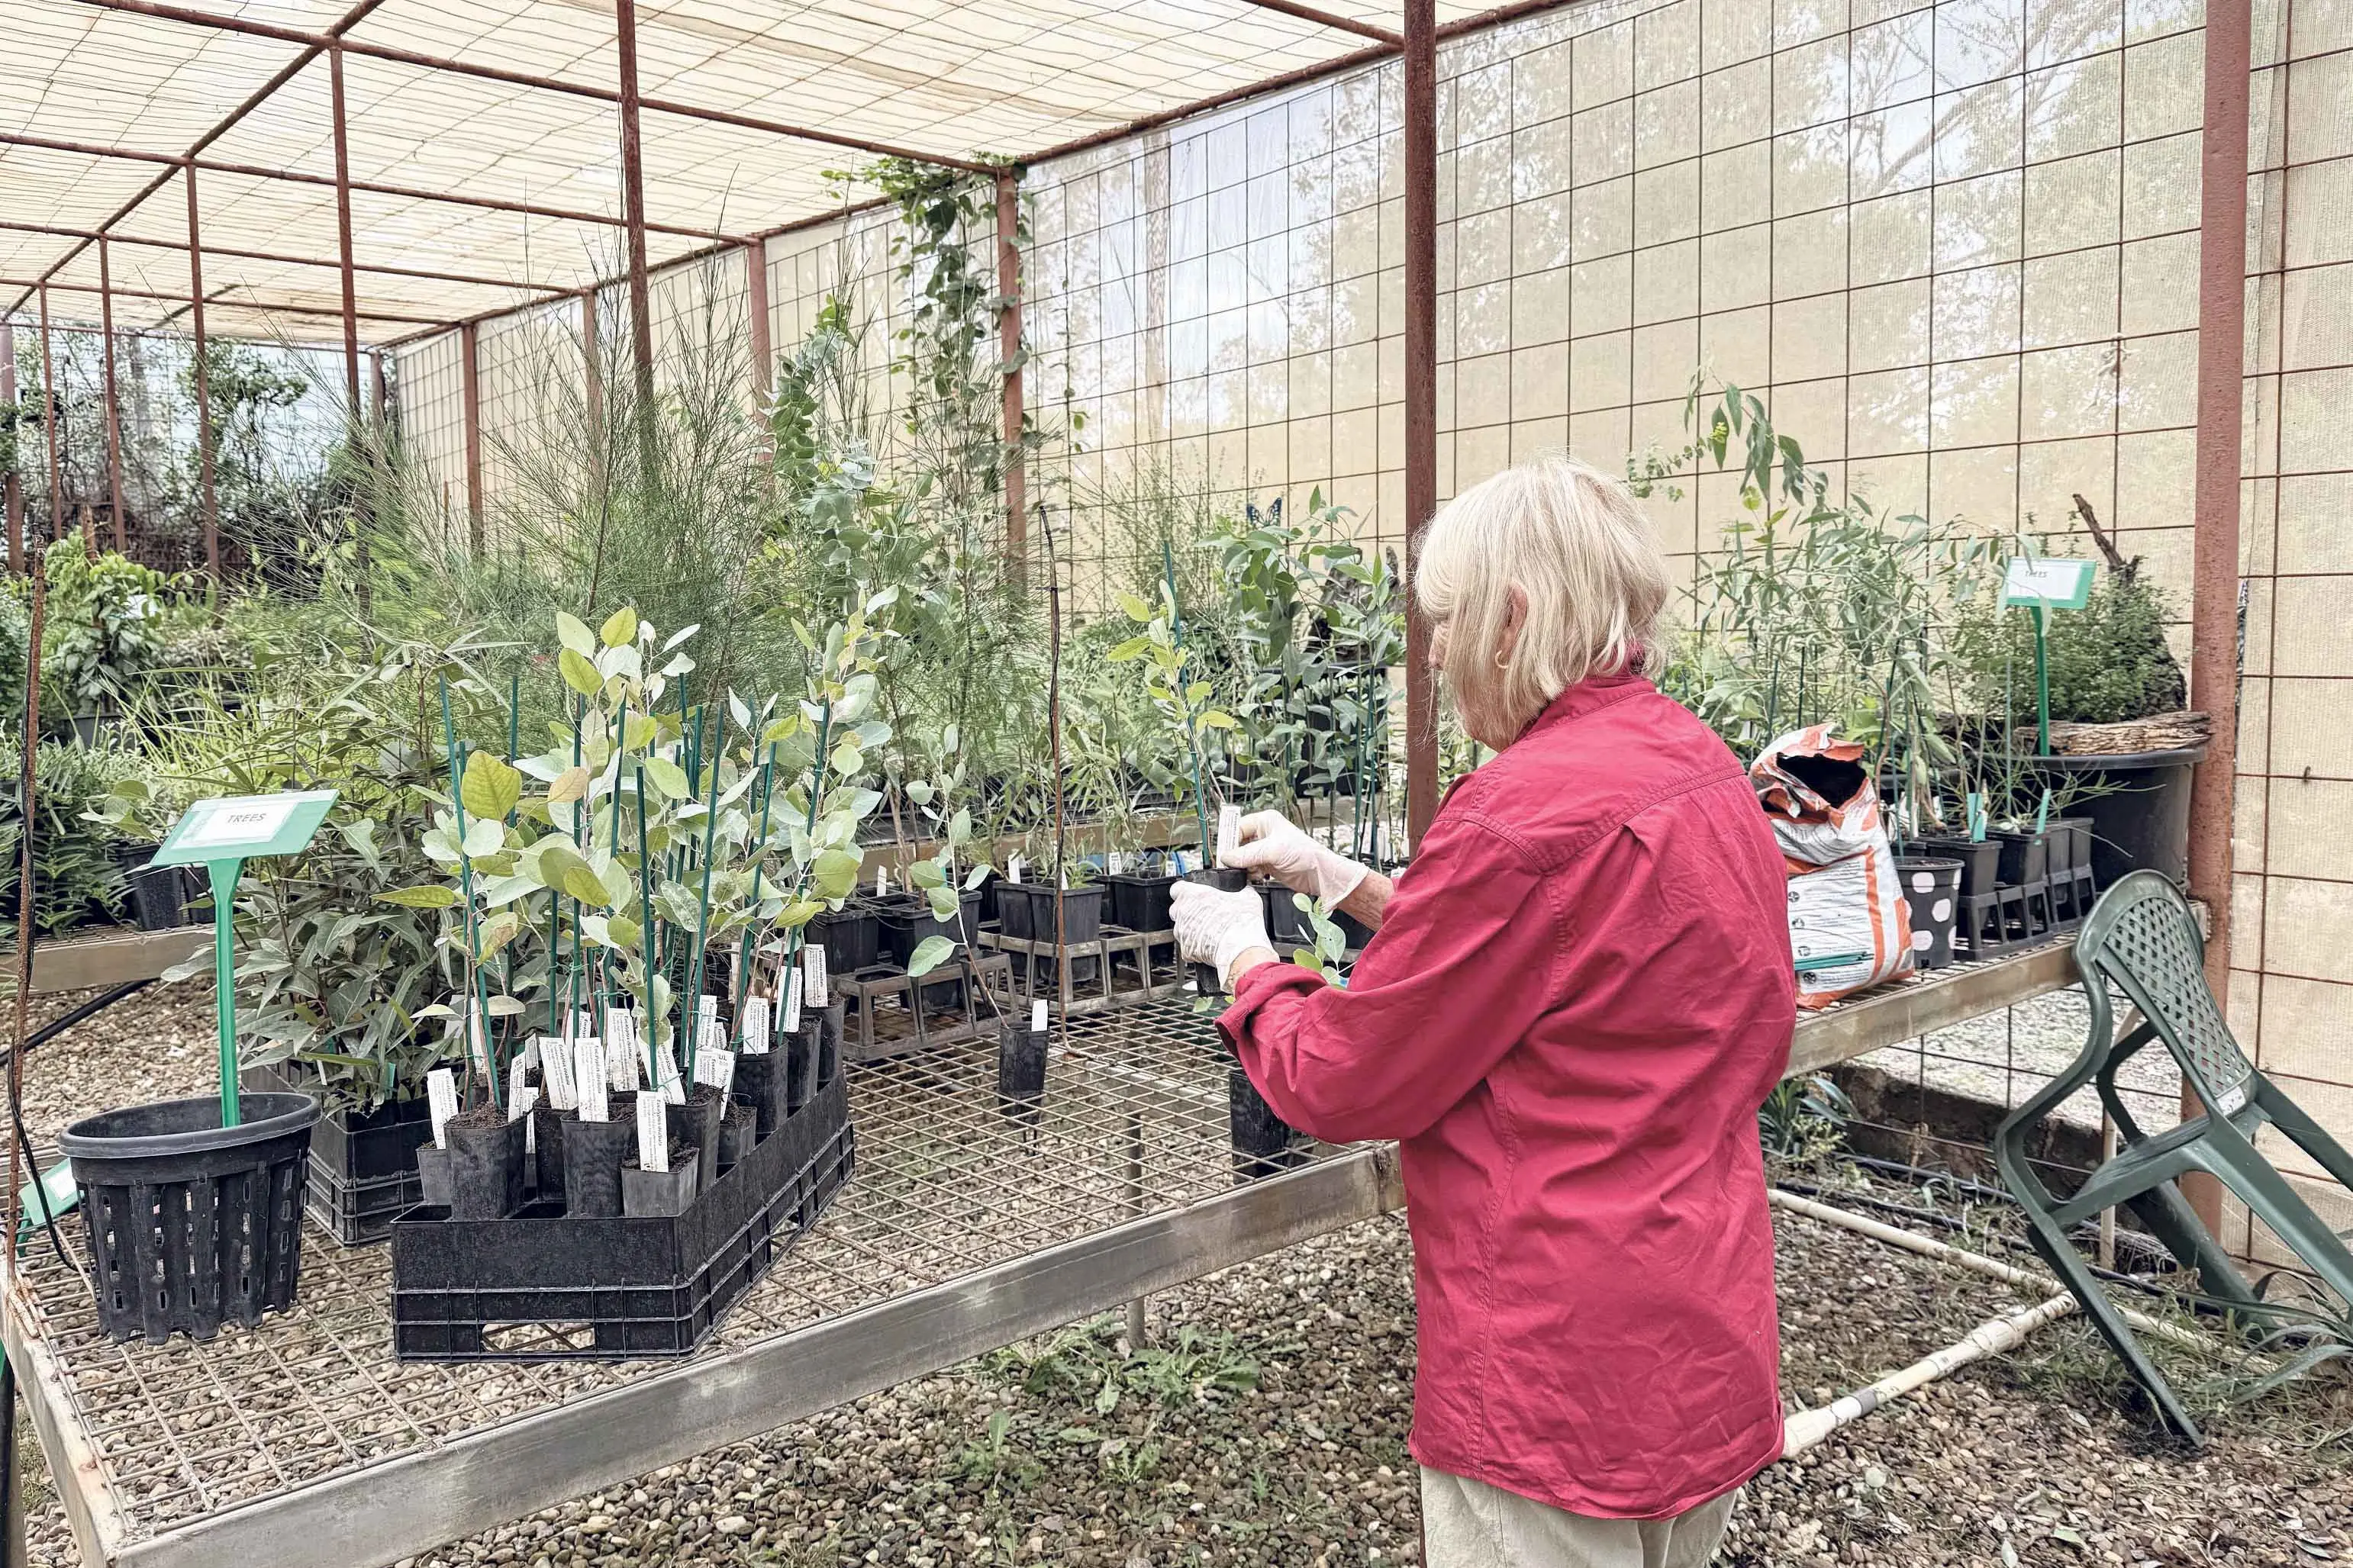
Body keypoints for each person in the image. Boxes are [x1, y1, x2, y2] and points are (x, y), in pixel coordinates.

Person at [1169, 454, 1795, 1568]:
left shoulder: (1515, 815)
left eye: (1443, 619)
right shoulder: (1699, 769)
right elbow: (1564, 974)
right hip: (1696, 1327)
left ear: (1510, 621)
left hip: (1554, 1371)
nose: (1433, 649)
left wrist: (1247, 960)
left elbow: (1351, 1076)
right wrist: (1340, 879)